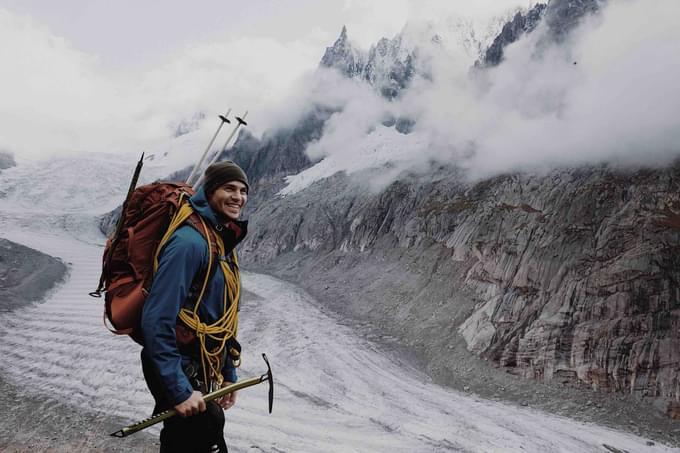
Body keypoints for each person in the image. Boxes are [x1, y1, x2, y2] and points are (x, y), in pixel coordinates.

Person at [140, 161, 249, 453]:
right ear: (211, 190)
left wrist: (228, 371)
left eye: (242, 190)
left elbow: (218, 316)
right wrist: (177, 390)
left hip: (198, 362)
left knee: (197, 437)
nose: (238, 196)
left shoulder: (220, 240)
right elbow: (156, 318)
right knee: (202, 433)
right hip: (177, 362)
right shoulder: (189, 242)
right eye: (229, 188)